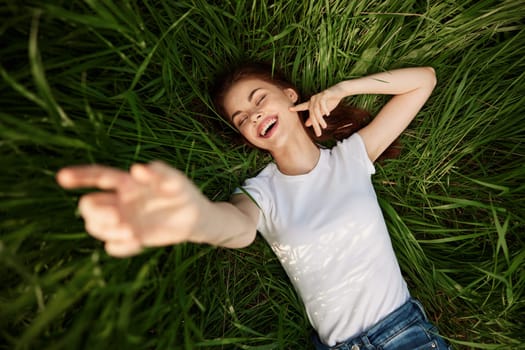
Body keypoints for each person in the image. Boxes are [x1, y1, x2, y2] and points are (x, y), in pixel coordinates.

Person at [57, 62, 450, 349]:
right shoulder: (259, 194)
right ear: (247, 136)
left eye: (258, 98)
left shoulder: (351, 158)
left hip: (403, 335)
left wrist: (343, 89)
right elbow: (237, 227)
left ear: (290, 96)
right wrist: (193, 218)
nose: (254, 114)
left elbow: (423, 82)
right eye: (242, 117)